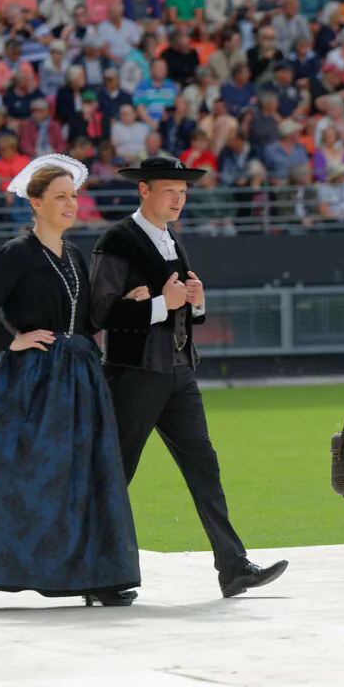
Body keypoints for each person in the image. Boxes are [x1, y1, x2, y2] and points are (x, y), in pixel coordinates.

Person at [0, 155, 142, 610]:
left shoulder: (74, 255)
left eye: (73, 196)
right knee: (11, 474)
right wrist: (10, 341)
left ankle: (96, 575)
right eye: (60, 197)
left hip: (80, 377)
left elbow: (87, 319)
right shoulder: (16, 253)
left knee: (83, 474)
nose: (71, 204)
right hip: (33, 380)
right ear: (35, 203)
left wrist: (129, 301)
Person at [88, 156, 288, 600]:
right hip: (134, 375)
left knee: (204, 468)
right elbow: (100, 313)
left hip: (177, 373)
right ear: (144, 190)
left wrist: (193, 303)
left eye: (184, 191)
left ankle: (233, 567)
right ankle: (96, 574)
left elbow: (176, 309)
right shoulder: (117, 240)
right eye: (169, 190)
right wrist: (162, 303)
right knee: (116, 474)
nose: (179, 198)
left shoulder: (169, 240)